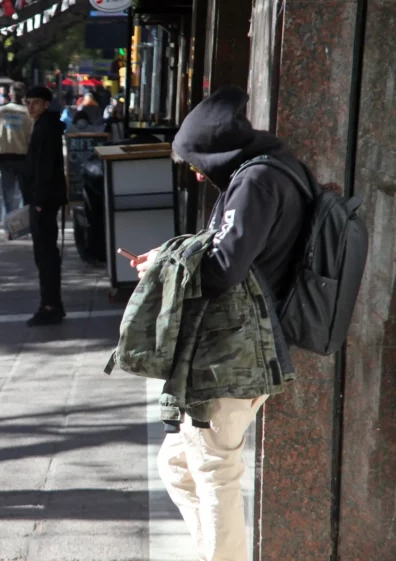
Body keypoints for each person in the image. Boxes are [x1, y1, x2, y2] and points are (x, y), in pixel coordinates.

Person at [132, 86, 306, 561]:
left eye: (195, 159)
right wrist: (169, 257)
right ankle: (214, 551)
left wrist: (163, 268)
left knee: (213, 470)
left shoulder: (256, 182)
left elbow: (224, 267)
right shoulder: (271, 170)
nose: (194, 170)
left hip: (237, 349)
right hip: (243, 343)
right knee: (180, 466)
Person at [22, 85, 67, 326]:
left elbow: (45, 168)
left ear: (46, 104)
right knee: (46, 254)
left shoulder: (46, 129)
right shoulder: (45, 126)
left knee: (45, 255)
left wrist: (39, 201)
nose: (31, 107)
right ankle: (52, 303)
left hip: (43, 202)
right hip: (44, 200)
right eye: (28, 102)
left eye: (35, 102)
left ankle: (50, 305)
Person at [0, 82, 33, 239]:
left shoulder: (1, 111)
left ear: (10, 94)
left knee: (8, 196)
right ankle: (23, 228)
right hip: (24, 159)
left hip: (5, 158)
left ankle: (9, 230)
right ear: (24, 96)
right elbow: (33, 138)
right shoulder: (28, 114)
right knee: (26, 195)